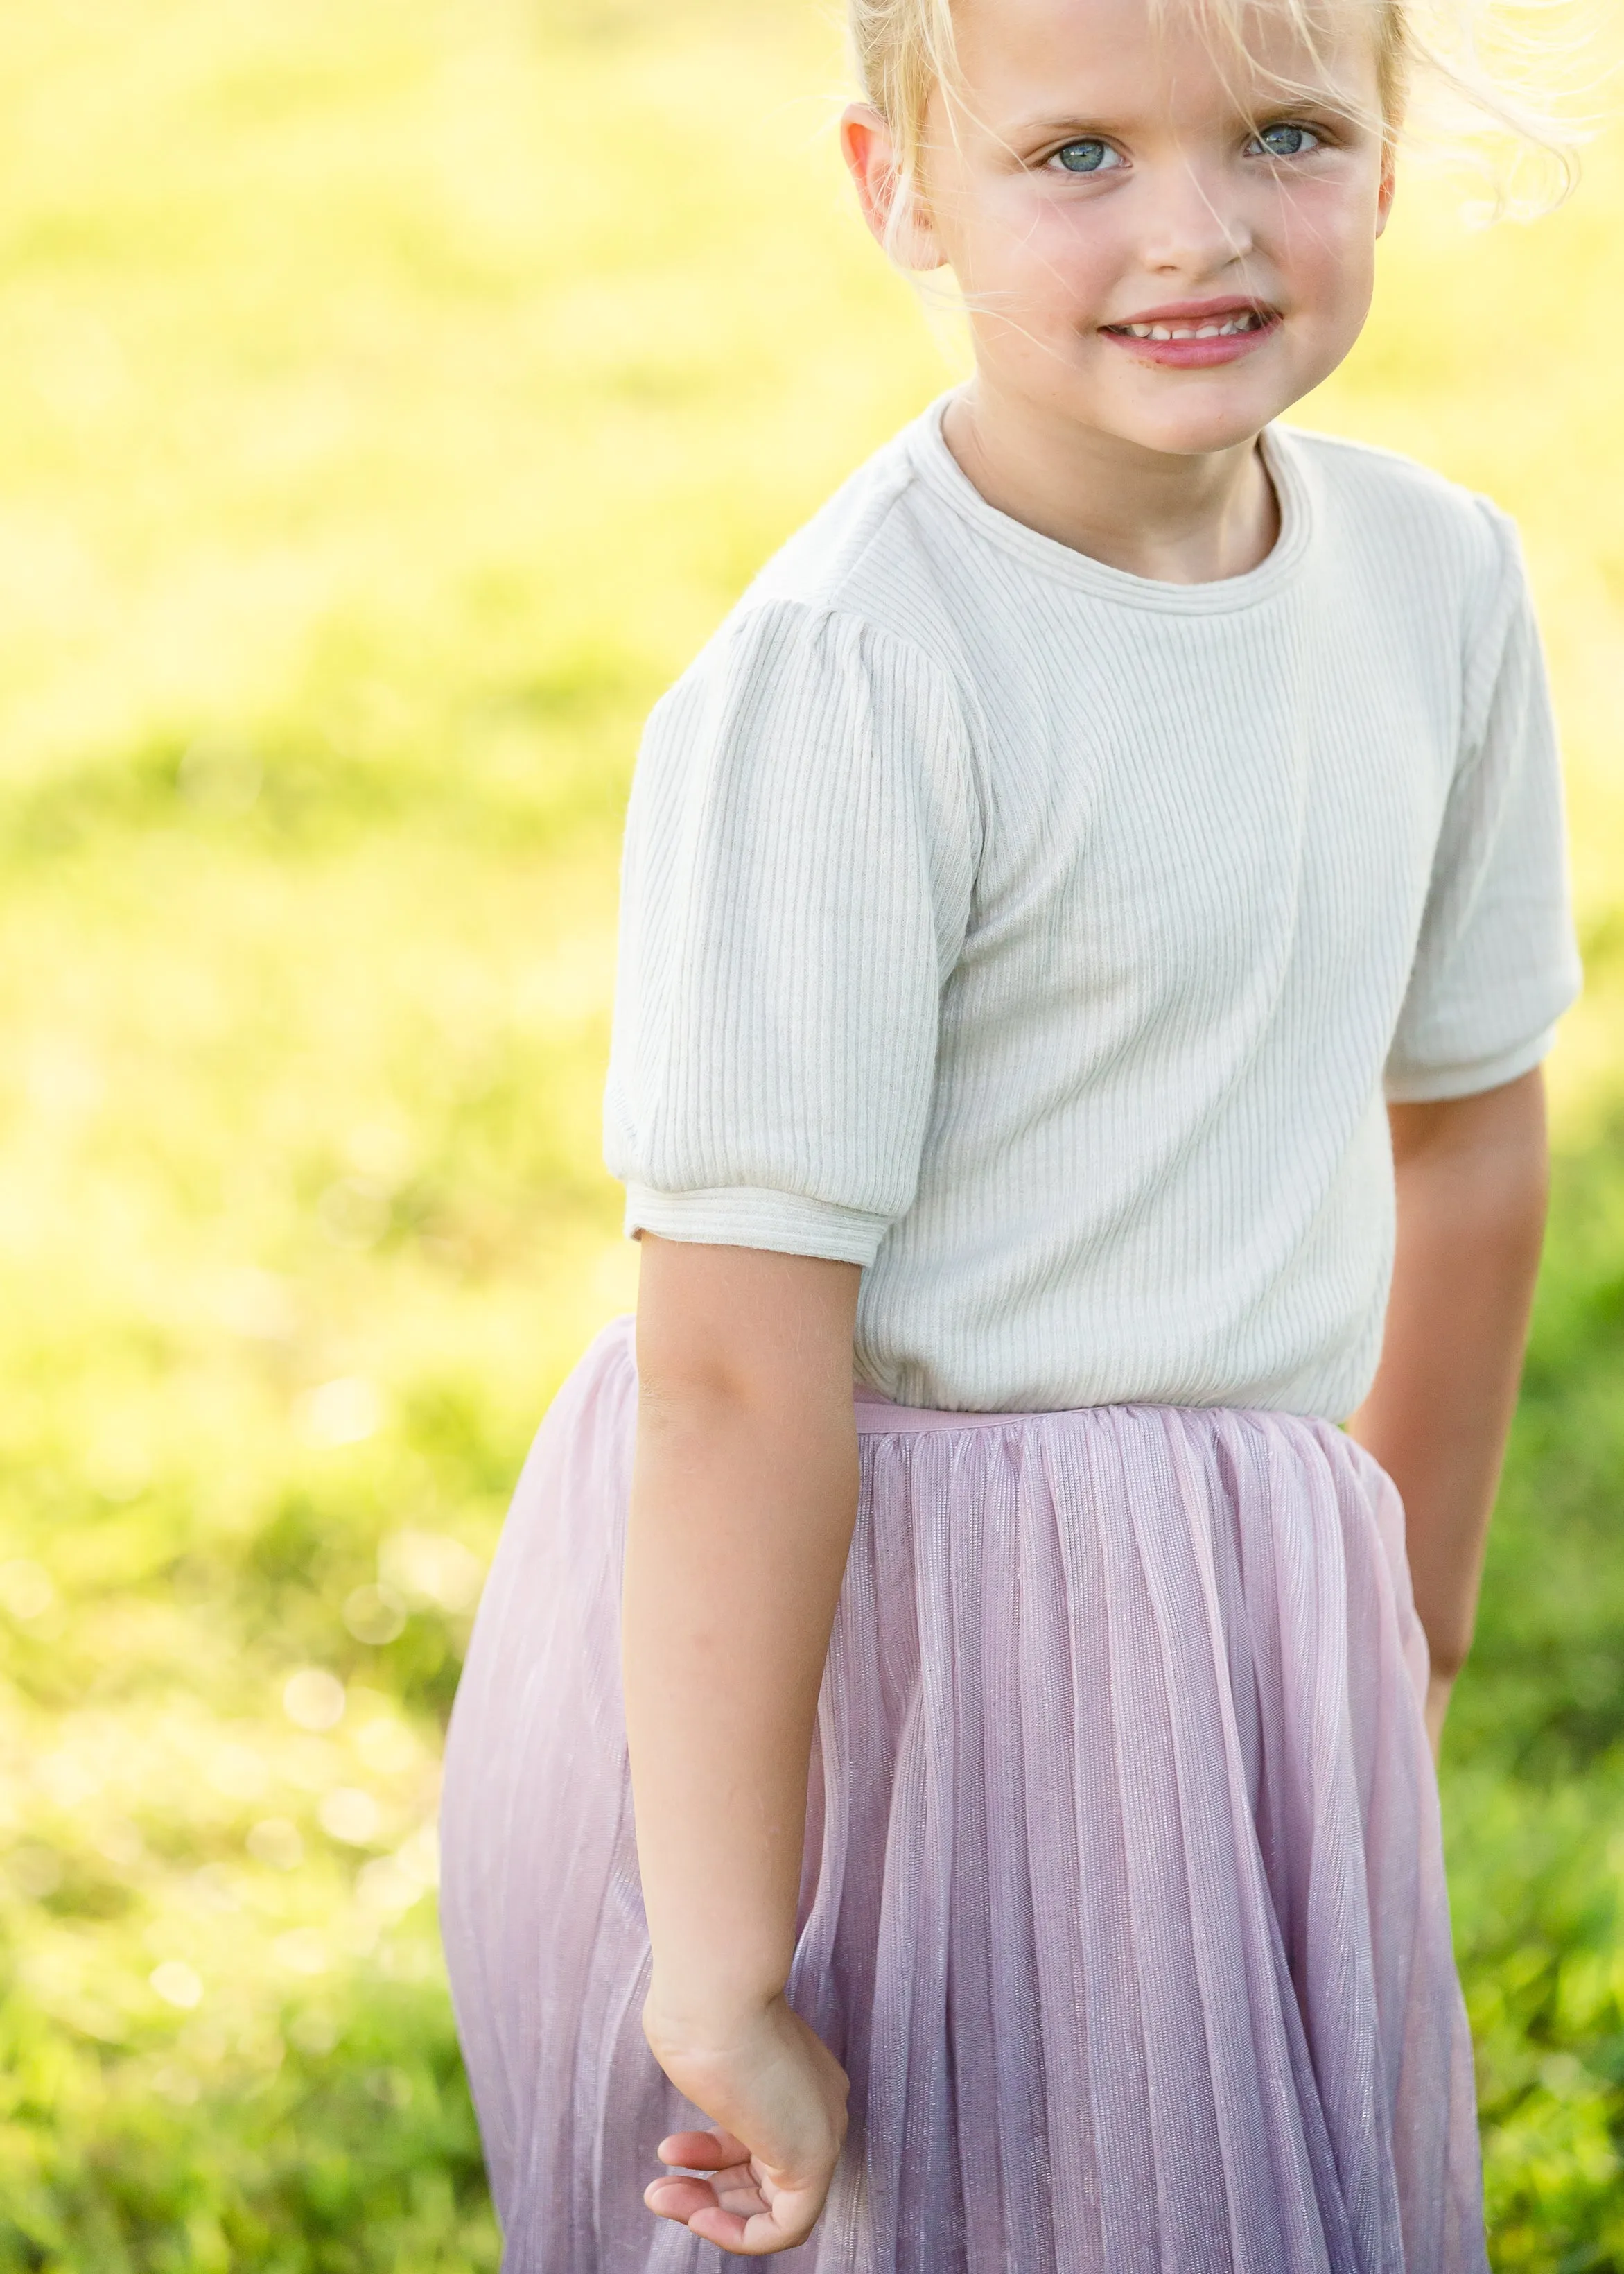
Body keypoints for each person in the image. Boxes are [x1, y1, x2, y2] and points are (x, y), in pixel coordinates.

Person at [438, 0, 1583, 2260]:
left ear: (1385, 147)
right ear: (899, 189)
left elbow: (1460, 1126)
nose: (1197, 231)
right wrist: (722, 1964)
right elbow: (736, 1364)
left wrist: (1404, 1610)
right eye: (1075, 153)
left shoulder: (1433, 586)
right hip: (887, 1626)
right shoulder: (859, 674)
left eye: (1282, 133)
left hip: (1235, 1602)